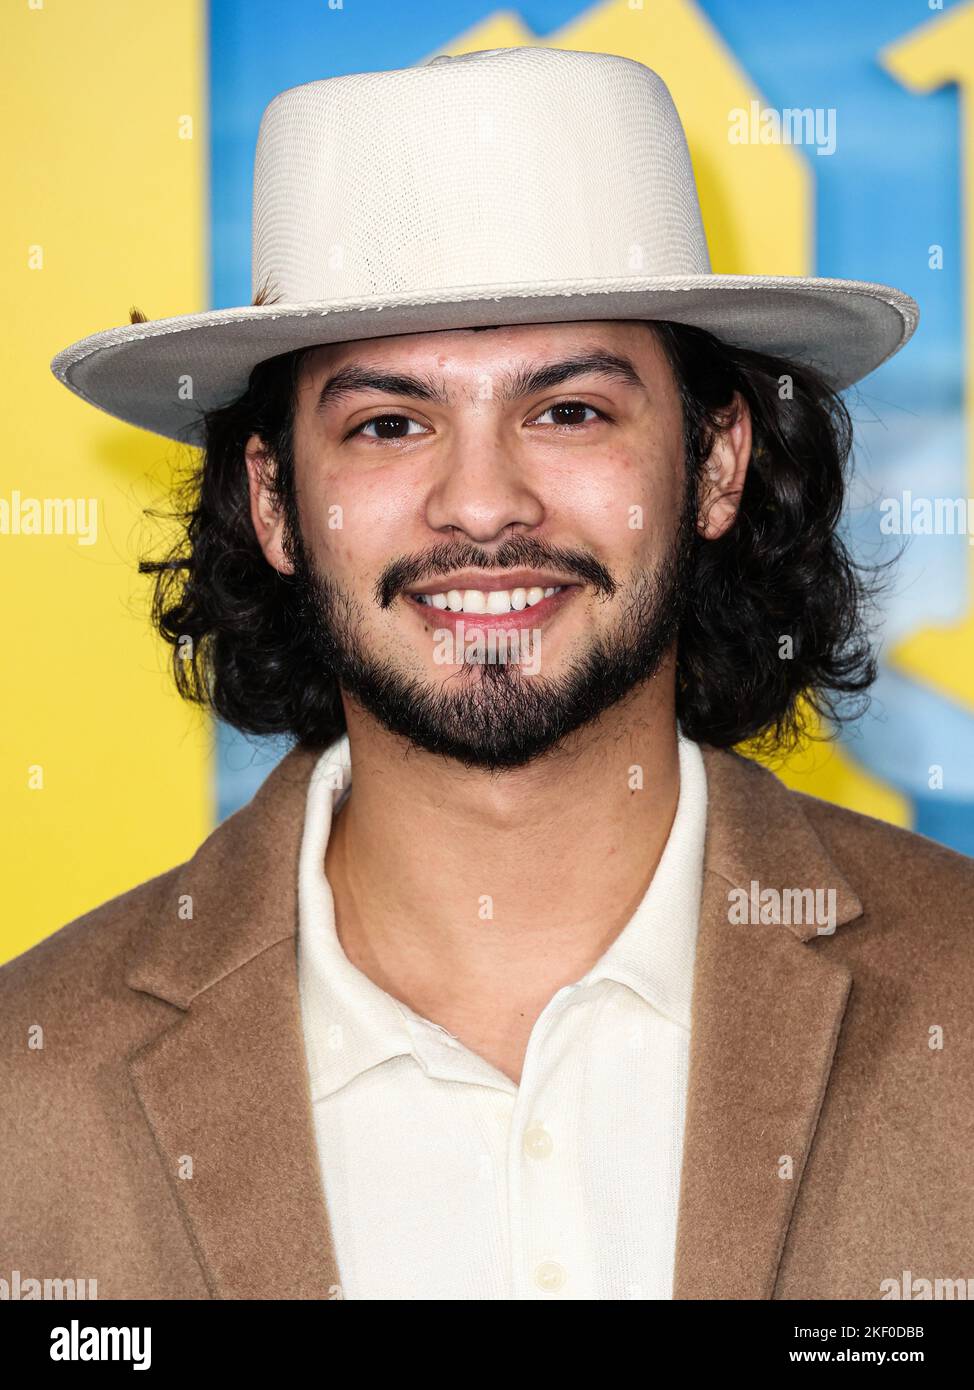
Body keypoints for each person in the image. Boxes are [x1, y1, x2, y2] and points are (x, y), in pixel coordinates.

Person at [2, 47, 971, 1302]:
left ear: (717, 462)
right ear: (274, 502)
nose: (480, 504)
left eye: (567, 410)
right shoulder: (32, 1091)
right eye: (388, 424)